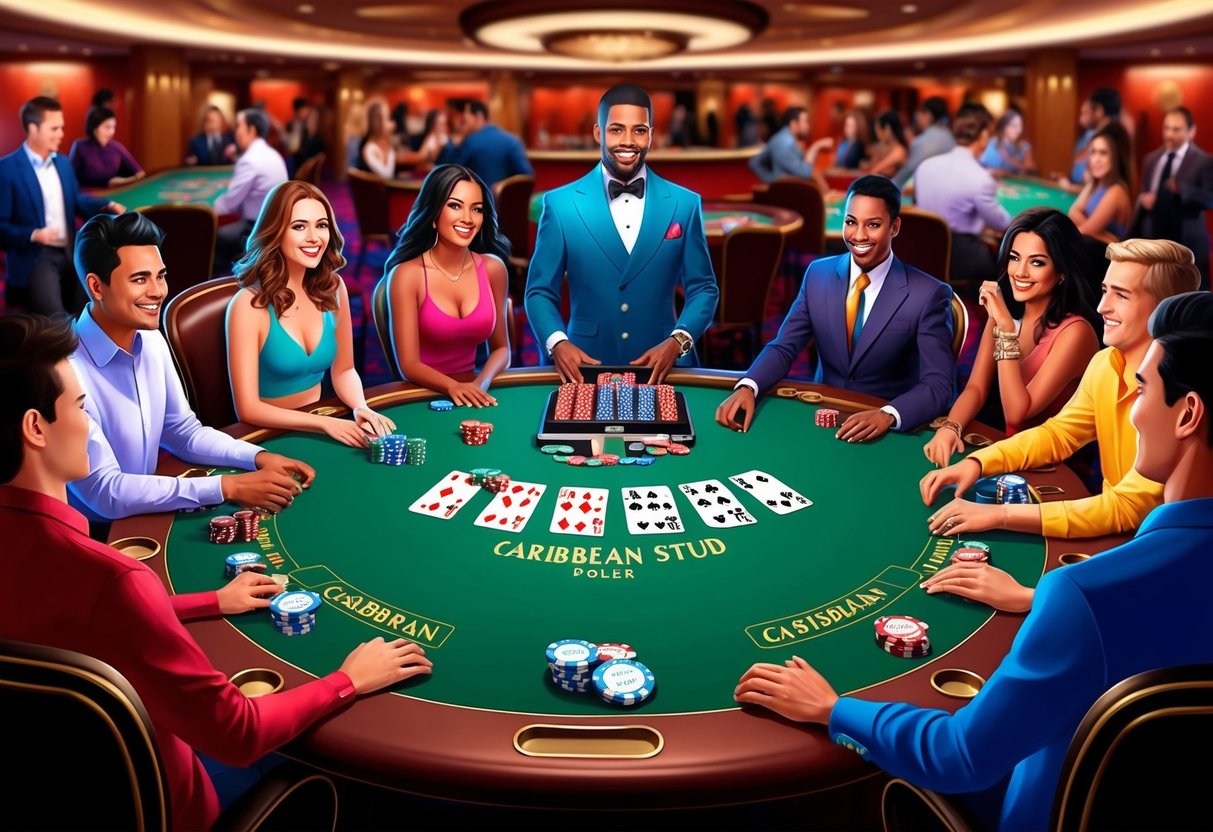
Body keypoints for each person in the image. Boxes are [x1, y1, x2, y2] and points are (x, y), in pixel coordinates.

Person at [734, 291, 1213, 832]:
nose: (1135, 409)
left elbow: (962, 755)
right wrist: (1035, 601)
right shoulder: (1086, 597)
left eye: (1143, 389)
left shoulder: (1085, 596)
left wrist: (832, 708)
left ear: (1188, 413)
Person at [0, 314, 432, 832]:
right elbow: (237, 733)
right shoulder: (113, 581)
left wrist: (211, 601)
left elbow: (82, 622)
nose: (89, 422)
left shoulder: (86, 579)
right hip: (170, 808)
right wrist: (348, 680)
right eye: (80, 407)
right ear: (34, 428)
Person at [920, 239, 1199, 563]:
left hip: (1162, 553)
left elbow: (1127, 508)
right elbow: (1059, 435)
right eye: (1105, 290)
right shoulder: (1106, 363)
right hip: (1115, 538)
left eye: (1121, 295)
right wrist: (979, 462)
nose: (1102, 307)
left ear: (1163, 309)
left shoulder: (1177, 394)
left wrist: (999, 516)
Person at [67, 212, 315, 523]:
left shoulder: (152, 340)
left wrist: (257, 457)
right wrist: (228, 486)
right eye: (140, 279)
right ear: (96, 286)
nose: (158, 291)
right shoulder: (66, 373)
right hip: (91, 534)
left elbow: (183, 433)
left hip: (147, 511)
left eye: (161, 275)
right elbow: (106, 492)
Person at [715, 175, 954, 443]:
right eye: (851, 222)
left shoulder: (928, 293)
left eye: (873, 225)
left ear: (894, 227)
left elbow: (939, 385)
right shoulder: (818, 274)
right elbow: (785, 346)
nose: (859, 235)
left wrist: (888, 414)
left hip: (887, 434)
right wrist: (750, 385)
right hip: (820, 416)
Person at [524, 84, 719, 383]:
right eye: (616, 130)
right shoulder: (560, 205)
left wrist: (678, 341)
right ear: (598, 133)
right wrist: (558, 343)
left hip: (666, 367)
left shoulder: (685, 204)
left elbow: (704, 288)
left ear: (651, 135)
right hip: (582, 366)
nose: (628, 141)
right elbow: (539, 291)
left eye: (639, 131)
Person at [924, 208, 1099, 467]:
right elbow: (976, 387)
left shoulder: (1076, 333)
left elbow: (1018, 413)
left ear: (1062, 271)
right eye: (1015, 258)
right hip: (1002, 452)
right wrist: (952, 426)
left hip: (1048, 469)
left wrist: (1005, 328)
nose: (1020, 272)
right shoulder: (1004, 312)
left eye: (1037, 262)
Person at [226, 182, 394, 445]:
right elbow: (247, 408)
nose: (314, 237)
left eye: (322, 225)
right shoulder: (248, 305)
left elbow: (345, 370)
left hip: (320, 420)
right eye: (299, 226)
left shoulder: (333, 287)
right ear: (276, 232)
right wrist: (324, 424)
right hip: (266, 435)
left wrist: (360, 406)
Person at [382, 164, 512, 406]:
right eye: (455, 205)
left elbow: (502, 349)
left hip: (473, 391)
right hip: (420, 396)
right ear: (433, 214)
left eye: (477, 209)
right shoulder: (407, 275)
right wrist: (453, 387)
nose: (467, 218)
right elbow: (408, 365)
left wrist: (480, 384)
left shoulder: (493, 269)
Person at [0, 96, 123, 317]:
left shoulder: (64, 163)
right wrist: (34, 234)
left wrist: (108, 204)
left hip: (70, 250)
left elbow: (76, 200)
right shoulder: (7, 169)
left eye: (62, 128)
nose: (61, 134)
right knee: (58, 322)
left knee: (90, 311)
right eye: (54, 128)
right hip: (36, 257)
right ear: (33, 128)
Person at [915, 103, 1011, 283]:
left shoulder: (924, 166)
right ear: (983, 136)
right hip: (960, 258)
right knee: (1006, 264)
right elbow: (1002, 223)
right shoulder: (981, 178)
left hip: (922, 253)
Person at [1129, 106, 1213, 289]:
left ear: (1191, 131)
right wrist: (1144, 198)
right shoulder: (1151, 159)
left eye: (1176, 129)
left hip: (1187, 241)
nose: (1169, 134)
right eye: (1166, 128)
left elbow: (1209, 198)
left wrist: (1182, 189)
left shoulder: (1204, 160)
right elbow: (1144, 190)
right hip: (1154, 238)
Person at [212, 108, 289, 276]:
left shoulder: (251, 160)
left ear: (252, 129)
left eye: (239, 126)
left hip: (257, 230)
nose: (236, 132)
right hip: (275, 224)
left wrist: (206, 211)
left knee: (214, 236)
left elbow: (228, 204)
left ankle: (218, 288)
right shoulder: (270, 153)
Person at [436, 99, 533, 188]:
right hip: (505, 203)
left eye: (465, 120)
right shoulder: (512, 140)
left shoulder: (470, 141)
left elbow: (447, 173)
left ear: (478, 116)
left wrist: (453, 143)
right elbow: (526, 176)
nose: (463, 124)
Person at [1069, 122, 1133, 244]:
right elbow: (1073, 211)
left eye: (1103, 153)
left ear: (1114, 157)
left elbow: (1084, 231)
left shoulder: (1117, 191)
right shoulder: (1095, 184)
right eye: (1093, 152)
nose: (1096, 160)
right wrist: (1104, 236)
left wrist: (1090, 229)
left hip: (1105, 260)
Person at [747, 106, 832, 189]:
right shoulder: (785, 143)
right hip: (785, 195)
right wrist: (816, 146)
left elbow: (754, 162)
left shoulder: (780, 138)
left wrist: (771, 178)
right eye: (806, 121)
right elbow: (806, 173)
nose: (808, 126)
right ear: (794, 124)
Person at [1056, 87, 1122, 194]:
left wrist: (1069, 187)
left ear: (1099, 111)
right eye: (1094, 152)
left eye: (1102, 152)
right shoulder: (1116, 136)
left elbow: (1100, 191)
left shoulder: (1108, 139)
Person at [68, 106, 145, 189]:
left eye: (113, 127)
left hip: (114, 197)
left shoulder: (117, 147)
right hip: (87, 198)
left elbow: (140, 174)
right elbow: (69, 181)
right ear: (94, 128)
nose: (112, 132)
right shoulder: (79, 147)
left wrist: (121, 182)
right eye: (107, 127)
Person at [892, 96, 954, 190]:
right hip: (947, 188)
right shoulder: (950, 136)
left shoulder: (922, 141)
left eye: (919, 116)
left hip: (928, 191)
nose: (917, 121)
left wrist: (889, 185)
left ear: (928, 115)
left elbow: (906, 173)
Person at [980, 108, 1036, 176]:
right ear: (1004, 127)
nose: (1018, 130)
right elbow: (981, 168)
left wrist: (1010, 160)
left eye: (1020, 126)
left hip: (1017, 184)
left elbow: (1029, 169)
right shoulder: (991, 144)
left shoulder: (1024, 147)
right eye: (1014, 126)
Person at [864, 110, 908, 178]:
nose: (877, 134)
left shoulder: (899, 151)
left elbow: (874, 170)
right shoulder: (889, 148)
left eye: (878, 129)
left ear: (888, 129)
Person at [358, 100, 396, 179]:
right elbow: (387, 175)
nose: (392, 123)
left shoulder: (382, 143)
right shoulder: (370, 148)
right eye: (387, 118)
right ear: (377, 122)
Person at [342, 102, 367, 172]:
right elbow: (353, 163)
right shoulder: (355, 139)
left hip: (351, 174)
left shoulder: (352, 135)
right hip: (356, 176)